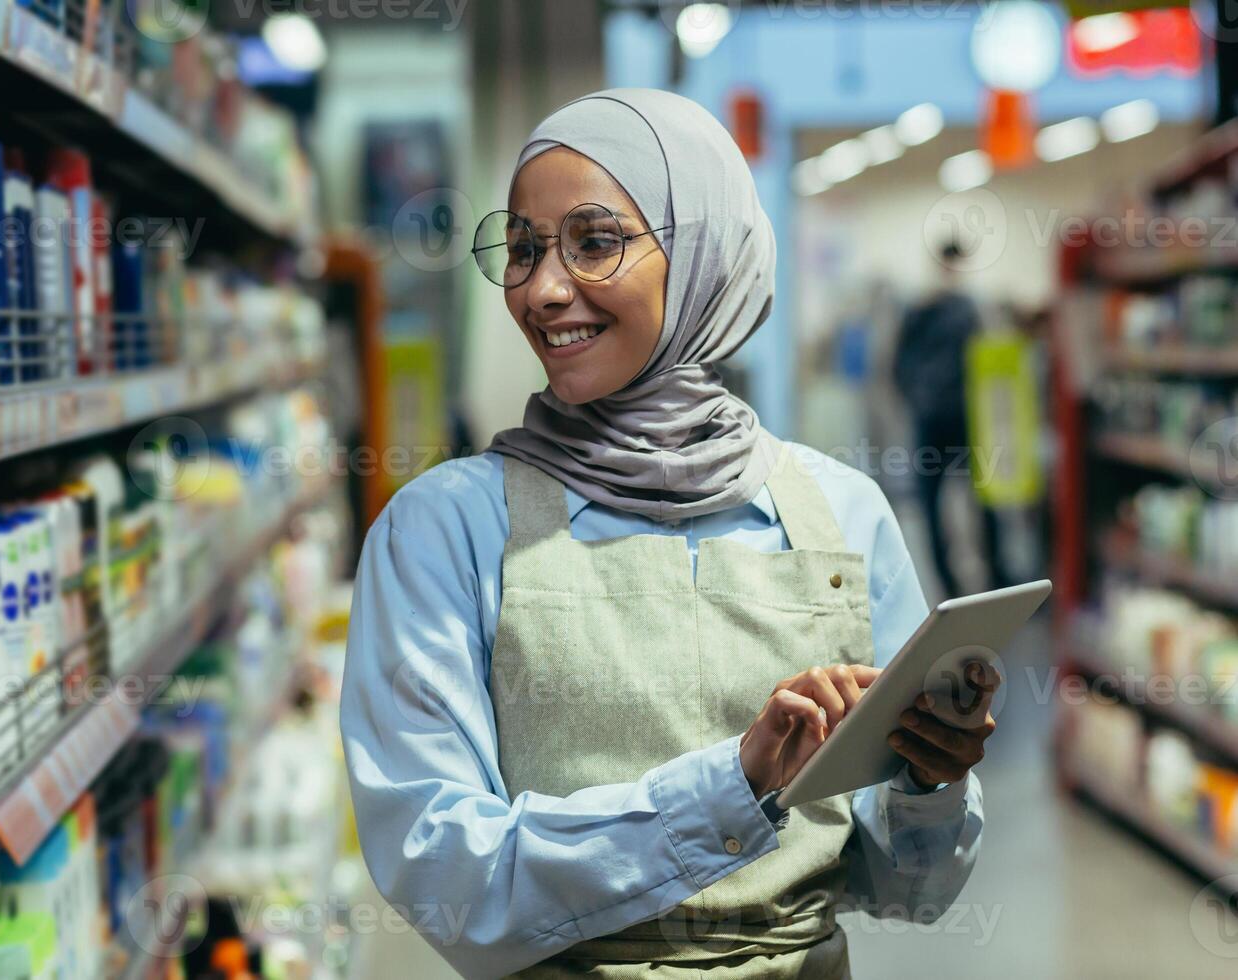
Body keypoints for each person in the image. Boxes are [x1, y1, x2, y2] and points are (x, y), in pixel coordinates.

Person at [340, 89, 997, 979]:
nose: (541, 289)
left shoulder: (838, 514)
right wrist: (730, 787)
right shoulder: (443, 530)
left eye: (595, 242)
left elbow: (904, 887)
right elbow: (445, 874)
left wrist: (932, 781)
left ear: (704, 258)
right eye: (524, 249)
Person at [892, 241, 1013, 599]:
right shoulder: (957, 310)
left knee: (968, 505)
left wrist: (918, 400)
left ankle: (972, 582)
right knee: (964, 504)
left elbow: (899, 368)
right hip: (956, 420)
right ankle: (985, 581)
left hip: (952, 420)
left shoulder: (946, 309)